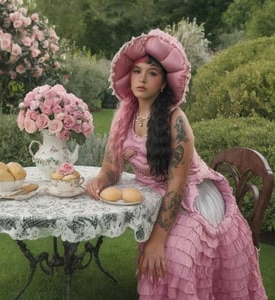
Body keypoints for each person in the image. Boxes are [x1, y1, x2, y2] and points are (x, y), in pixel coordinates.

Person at [85, 29, 267, 299]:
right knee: (160, 256)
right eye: (137, 71)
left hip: (192, 200)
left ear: (163, 84)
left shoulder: (176, 120)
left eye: (152, 73)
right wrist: (100, 181)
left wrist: (158, 239)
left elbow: (177, 184)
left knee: (175, 255)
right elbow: (112, 168)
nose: (142, 79)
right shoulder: (124, 117)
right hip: (154, 197)